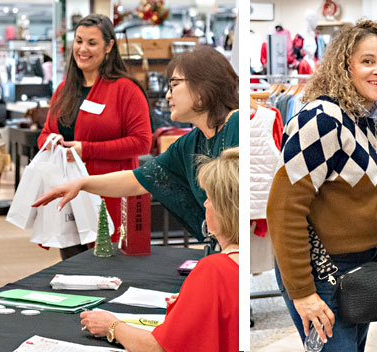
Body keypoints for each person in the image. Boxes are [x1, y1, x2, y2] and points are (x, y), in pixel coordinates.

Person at [266, 20, 377, 351]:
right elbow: (283, 210)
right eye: (367, 61)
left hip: (359, 268)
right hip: (321, 272)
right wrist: (302, 292)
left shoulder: (368, 121)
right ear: (345, 65)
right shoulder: (321, 119)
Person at [32, 47, 239, 252]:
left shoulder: (237, 125)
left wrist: (87, 156)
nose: (168, 95)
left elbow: (140, 143)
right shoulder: (190, 143)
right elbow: (138, 179)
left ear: (202, 90)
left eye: (174, 85)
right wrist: (82, 183)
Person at [77, 148, 239, 352]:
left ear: (225, 209)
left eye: (209, 198)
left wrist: (112, 326)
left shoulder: (214, 270)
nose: (205, 204)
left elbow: (159, 347)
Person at [39, 14, 153, 259]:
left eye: (92, 43)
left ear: (109, 46)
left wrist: (87, 149)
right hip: (70, 197)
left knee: (108, 266)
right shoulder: (64, 89)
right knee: (71, 266)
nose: (82, 49)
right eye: (79, 41)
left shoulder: (126, 90)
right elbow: (46, 133)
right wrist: (52, 143)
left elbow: (142, 142)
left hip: (108, 198)